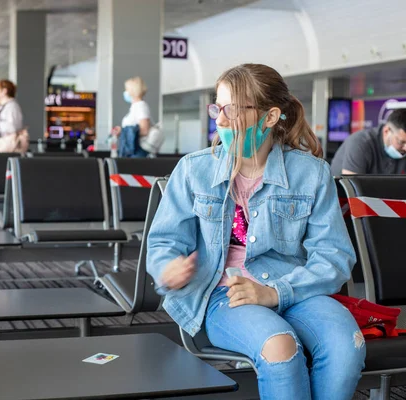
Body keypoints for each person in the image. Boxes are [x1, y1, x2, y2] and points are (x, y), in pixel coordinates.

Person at [147, 64, 365, 400]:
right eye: (217, 107)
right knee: (280, 348)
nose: (219, 120)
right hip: (222, 294)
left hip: (296, 288)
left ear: (269, 116)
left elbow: (333, 257)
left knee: (346, 346)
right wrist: (167, 268)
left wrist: (275, 292)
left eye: (231, 109)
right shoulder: (194, 170)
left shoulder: (312, 174)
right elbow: (164, 242)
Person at [330, 109, 406, 176]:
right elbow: (352, 188)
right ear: (386, 131)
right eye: (401, 142)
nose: (405, 148)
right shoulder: (360, 143)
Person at [111, 76, 151, 157]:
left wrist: (123, 131)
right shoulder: (135, 107)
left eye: (127, 89)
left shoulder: (141, 106)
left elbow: (144, 130)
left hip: (137, 151)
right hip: (131, 150)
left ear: (133, 91)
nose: (125, 92)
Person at [0, 79, 26, 153]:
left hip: (5, 150)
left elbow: (12, 127)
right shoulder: (2, 107)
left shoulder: (12, 107)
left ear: (4, 91)